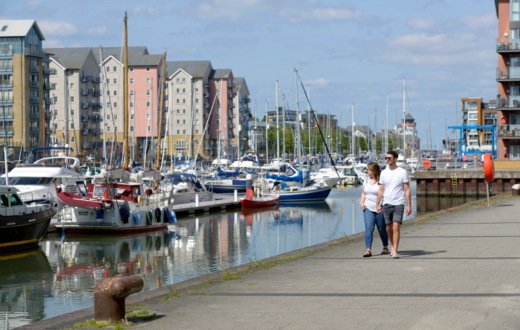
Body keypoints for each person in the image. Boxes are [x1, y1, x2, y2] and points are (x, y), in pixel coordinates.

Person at [376, 151, 412, 259]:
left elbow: (406, 189)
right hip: (387, 202)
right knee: (388, 227)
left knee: (396, 227)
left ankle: (395, 250)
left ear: (395, 159)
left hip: (399, 202)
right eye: (386, 158)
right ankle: (392, 245)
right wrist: (377, 204)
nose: (387, 160)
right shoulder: (383, 173)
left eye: (389, 158)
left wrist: (409, 205)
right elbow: (381, 190)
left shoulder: (402, 172)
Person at [360, 162, 389, 257]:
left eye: (368, 169)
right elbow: (364, 193)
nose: (367, 171)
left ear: (374, 171)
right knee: (369, 228)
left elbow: (384, 194)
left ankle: (385, 247)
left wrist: (380, 205)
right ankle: (368, 250)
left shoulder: (381, 181)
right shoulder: (366, 180)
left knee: (381, 229)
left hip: (379, 208)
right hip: (368, 208)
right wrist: (362, 203)